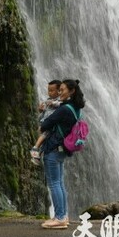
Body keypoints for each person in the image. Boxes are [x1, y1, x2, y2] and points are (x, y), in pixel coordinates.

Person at [38, 78, 85, 229]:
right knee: (59, 183)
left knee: (54, 184)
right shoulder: (75, 108)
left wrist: (42, 113)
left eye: (62, 89)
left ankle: (59, 218)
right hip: (63, 150)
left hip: (53, 148)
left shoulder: (64, 109)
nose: (59, 92)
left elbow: (44, 125)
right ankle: (63, 215)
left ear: (71, 91)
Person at [30, 80, 62, 165]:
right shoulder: (47, 101)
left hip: (50, 124)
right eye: (48, 90)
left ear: (59, 91)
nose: (49, 93)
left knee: (45, 138)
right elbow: (42, 115)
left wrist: (53, 103)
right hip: (46, 123)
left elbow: (60, 104)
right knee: (45, 135)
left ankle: (37, 154)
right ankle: (35, 148)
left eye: (51, 91)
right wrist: (41, 111)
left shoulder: (60, 101)